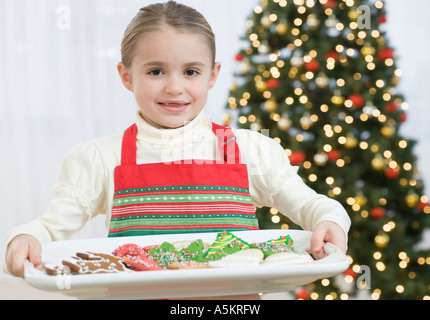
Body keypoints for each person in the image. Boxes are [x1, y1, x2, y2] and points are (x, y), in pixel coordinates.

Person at [4, 1, 350, 296]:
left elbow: (310, 205)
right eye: (156, 71)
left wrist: (329, 220)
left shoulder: (250, 150)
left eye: (190, 71)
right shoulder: (98, 158)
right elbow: (50, 228)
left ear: (212, 75)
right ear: (126, 76)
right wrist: (26, 237)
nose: (174, 87)